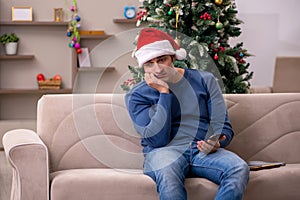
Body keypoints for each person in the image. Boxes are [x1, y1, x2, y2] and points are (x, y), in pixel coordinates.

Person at [125, 27, 249, 200]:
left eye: (162, 60)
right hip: (163, 152)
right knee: (168, 175)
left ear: (173, 58)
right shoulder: (137, 95)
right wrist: (164, 93)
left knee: (238, 168)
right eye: (149, 63)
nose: (157, 69)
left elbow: (224, 126)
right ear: (143, 67)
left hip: (202, 151)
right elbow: (157, 140)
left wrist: (217, 141)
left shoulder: (205, 80)